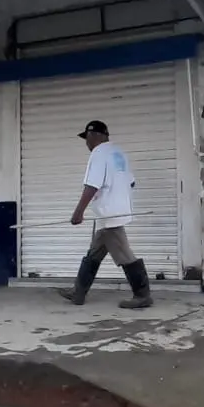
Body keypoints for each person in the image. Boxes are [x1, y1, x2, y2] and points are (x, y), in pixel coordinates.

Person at [56, 121, 153, 309]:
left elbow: (92, 184)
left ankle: (142, 295)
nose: (87, 143)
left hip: (109, 213)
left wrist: (78, 212)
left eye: (87, 138)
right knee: (94, 253)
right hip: (115, 210)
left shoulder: (99, 154)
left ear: (96, 136)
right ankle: (78, 292)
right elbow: (131, 182)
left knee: (125, 254)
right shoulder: (119, 152)